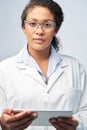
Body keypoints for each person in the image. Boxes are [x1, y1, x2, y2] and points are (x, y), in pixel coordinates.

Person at [0, 0, 87, 129]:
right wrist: (3, 125)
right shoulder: (4, 69)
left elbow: (85, 110)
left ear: (56, 29)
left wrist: (77, 125)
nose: (39, 31)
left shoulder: (75, 67)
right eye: (33, 24)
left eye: (47, 24)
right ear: (24, 27)